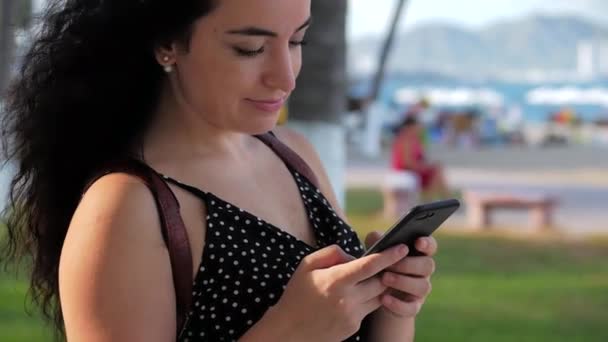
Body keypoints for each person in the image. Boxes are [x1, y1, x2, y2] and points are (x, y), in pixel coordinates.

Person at [1, 1, 438, 341]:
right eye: (250, 48)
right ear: (167, 42)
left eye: (296, 41)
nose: (284, 77)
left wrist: (391, 306)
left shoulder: (293, 154)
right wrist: (289, 332)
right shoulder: (127, 206)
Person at [391, 116, 451, 201]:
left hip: (414, 170)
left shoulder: (414, 139)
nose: (419, 128)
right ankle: (433, 200)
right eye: (417, 126)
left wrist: (428, 165)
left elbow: (420, 158)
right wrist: (425, 167)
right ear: (410, 127)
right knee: (437, 171)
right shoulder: (406, 140)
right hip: (406, 171)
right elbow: (407, 163)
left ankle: (439, 199)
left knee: (437, 170)